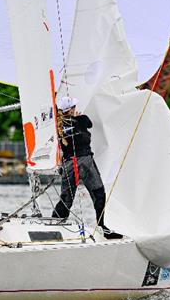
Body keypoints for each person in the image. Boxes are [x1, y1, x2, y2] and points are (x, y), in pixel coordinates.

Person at [51, 96, 122, 239]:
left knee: (66, 198)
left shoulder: (57, 125)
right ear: (70, 110)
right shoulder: (80, 120)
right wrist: (78, 117)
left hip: (69, 164)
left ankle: (54, 223)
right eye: (74, 107)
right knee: (99, 193)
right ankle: (102, 227)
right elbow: (89, 123)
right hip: (85, 162)